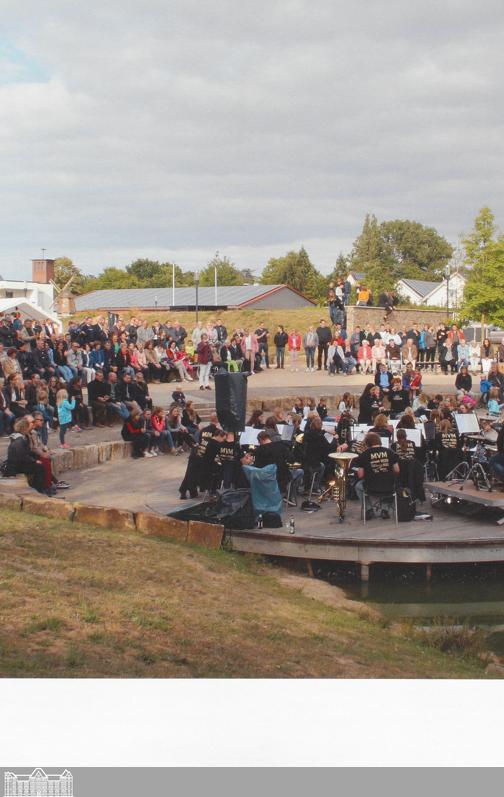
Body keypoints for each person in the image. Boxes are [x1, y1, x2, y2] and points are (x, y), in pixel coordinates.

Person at [354, 432, 400, 519]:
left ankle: (369, 509)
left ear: (367, 443)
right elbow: (397, 470)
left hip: (371, 488)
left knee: (358, 486)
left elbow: (360, 475)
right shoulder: (390, 452)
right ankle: (385, 510)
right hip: (388, 486)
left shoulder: (364, 455)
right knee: (389, 486)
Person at [5, 416, 49, 494]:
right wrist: (34, 461)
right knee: (39, 467)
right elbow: (22, 456)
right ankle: (39, 490)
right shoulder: (19, 440)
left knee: (40, 464)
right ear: (24, 428)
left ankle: (42, 488)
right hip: (15, 467)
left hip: (17, 463)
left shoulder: (19, 437)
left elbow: (27, 452)